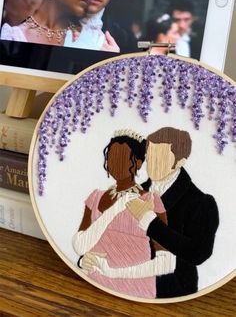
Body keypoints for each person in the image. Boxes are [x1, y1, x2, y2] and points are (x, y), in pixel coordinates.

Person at [72, 130, 175, 299]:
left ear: (139, 163)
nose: (114, 163)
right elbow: (80, 247)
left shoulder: (151, 201)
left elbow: (167, 263)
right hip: (92, 288)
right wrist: (83, 261)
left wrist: (113, 273)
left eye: (123, 157)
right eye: (111, 156)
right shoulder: (96, 197)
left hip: (136, 292)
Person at [126, 127, 219, 298]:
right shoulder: (133, 193)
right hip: (124, 284)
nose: (152, 162)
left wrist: (150, 222)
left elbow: (198, 253)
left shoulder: (201, 203)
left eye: (160, 157)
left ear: (180, 162)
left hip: (173, 293)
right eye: (150, 155)